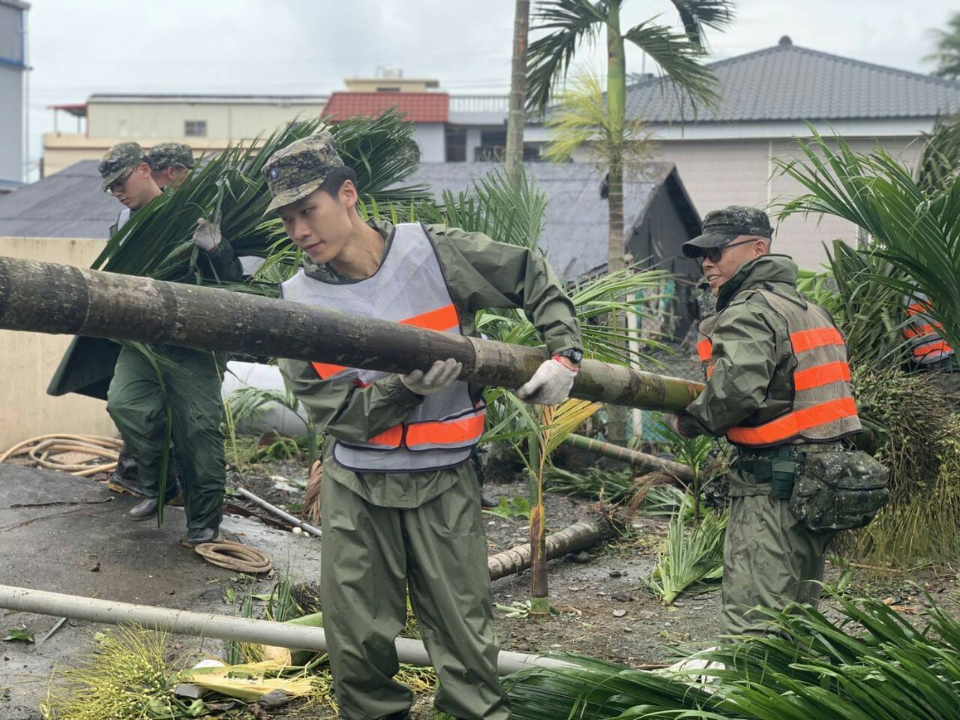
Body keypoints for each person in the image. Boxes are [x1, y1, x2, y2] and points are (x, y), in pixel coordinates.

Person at [265, 132, 583, 720]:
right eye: (287, 220)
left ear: (349, 195)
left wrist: (565, 355)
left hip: (445, 481)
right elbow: (341, 417)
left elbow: (528, 273)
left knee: (464, 637)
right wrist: (406, 388)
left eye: (308, 210)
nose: (299, 231)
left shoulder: (433, 253)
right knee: (357, 643)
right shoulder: (296, 305)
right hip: (357, 488)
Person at [673, 206, 866, 637]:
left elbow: (736, 391)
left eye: (718, 251)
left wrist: (691, 422)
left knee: (755, 620)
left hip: (772, 490)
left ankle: (754, 700)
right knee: (798, 615)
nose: (708, 262)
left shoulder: (749, 310)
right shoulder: (811, 310)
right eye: (702, 254)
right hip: (820, 485)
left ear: (759, 248)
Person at [50, 143, 242, 547]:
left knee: (198, 428)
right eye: (110, 187)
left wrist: (218, 249)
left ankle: (203, 521)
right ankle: (160, 485)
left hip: (194, 340)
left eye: (121, 182)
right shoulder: (124, 222)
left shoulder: (193, 210)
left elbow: (233, 277)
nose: (117, 191)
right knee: (126, 404)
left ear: (143, 170)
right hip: (143, 339)